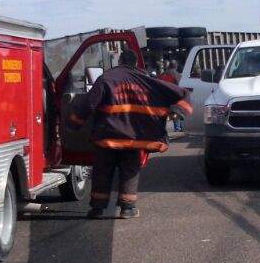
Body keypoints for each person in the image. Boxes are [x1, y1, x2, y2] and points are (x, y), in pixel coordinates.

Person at [68, 48, 192, 219]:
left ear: (120, 62)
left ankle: (97, 209)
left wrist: (73, 124)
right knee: (130, 171)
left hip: (107, 138)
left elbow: (88, 104)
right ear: (135, 63)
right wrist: (177, 112)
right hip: (133, 138)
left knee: (102, 172)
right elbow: (184, 93)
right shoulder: (147, 80)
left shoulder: (106, 79)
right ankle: (127, 209)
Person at [157, 59, 184, 132]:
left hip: (163, 97)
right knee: (177, 112)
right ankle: (178, 128)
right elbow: (181, 86)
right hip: (174, 96)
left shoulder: (162, 75)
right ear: (176, 66)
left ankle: (163, 129)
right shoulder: (178, 75)